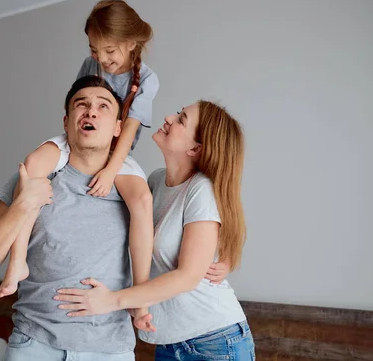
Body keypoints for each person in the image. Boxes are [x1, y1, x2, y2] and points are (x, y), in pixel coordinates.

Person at [0, 0, 160, 323]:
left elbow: (128, 129)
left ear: (131, 44)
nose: (102, 59)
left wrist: (112, 168)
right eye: (95, 50)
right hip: (78, 141)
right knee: (33, 166)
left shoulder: (147, 80)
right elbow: (78, 103)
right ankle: (17, 261)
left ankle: (140, 300)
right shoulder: (91, 65)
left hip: (117, 150)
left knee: (141, 199)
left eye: (109, 51)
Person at [54, 100, 255, 360]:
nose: (169, 117)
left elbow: (188, 277)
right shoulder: (156, 181)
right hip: (170, 343)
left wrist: (114, 300)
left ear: (196, 148)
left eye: (181, 119)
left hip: (214, 342)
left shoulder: (201, 190)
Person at [0, 75, 143, 360]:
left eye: (103, 106)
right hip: (34, 345)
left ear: (117, 128)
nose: (91, 111)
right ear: (66, 122)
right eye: (81, 104)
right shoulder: (33, 177)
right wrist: (23, 203)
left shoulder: (135, 192)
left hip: (110, 351)